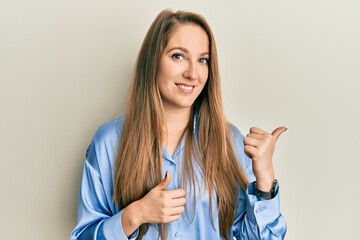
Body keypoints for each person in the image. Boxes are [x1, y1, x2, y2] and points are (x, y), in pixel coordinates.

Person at [70, 9, 287, 240]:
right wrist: (135, 214)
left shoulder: (229, 142)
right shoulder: (109, 141)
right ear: (153, 61)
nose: (193, 73)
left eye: (203, 60)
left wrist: (264, 180)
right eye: (178, 56)